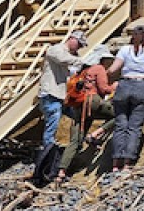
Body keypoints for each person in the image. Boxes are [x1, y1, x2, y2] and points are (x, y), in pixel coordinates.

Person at [110, 26, 144, 170]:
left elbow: (113, 69)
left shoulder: (125, 49)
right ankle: (127, 163)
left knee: (120, 126)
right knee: (134, 127)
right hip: (143, 86)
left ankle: (115, 163)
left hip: (124, 85)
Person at [60, 52, 118, 174]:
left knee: (75, 140)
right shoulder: (99, 68)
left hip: (79, 105)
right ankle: (96, 134)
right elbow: (104, 89)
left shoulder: (83, 71)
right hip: (92, 101)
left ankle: (61, 171)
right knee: (118, 115)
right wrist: (114, 86)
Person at [38, 31, 87, 167]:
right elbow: (63, 59)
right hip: (51, 94)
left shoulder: (70, 55)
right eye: (79, 44)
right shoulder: (55, 50)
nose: (79, 48)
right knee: (52, 125)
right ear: (72, 39)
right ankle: (47, 158)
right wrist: (81, 61)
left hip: (61, 95)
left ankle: (76, 144)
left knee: (76, 117)